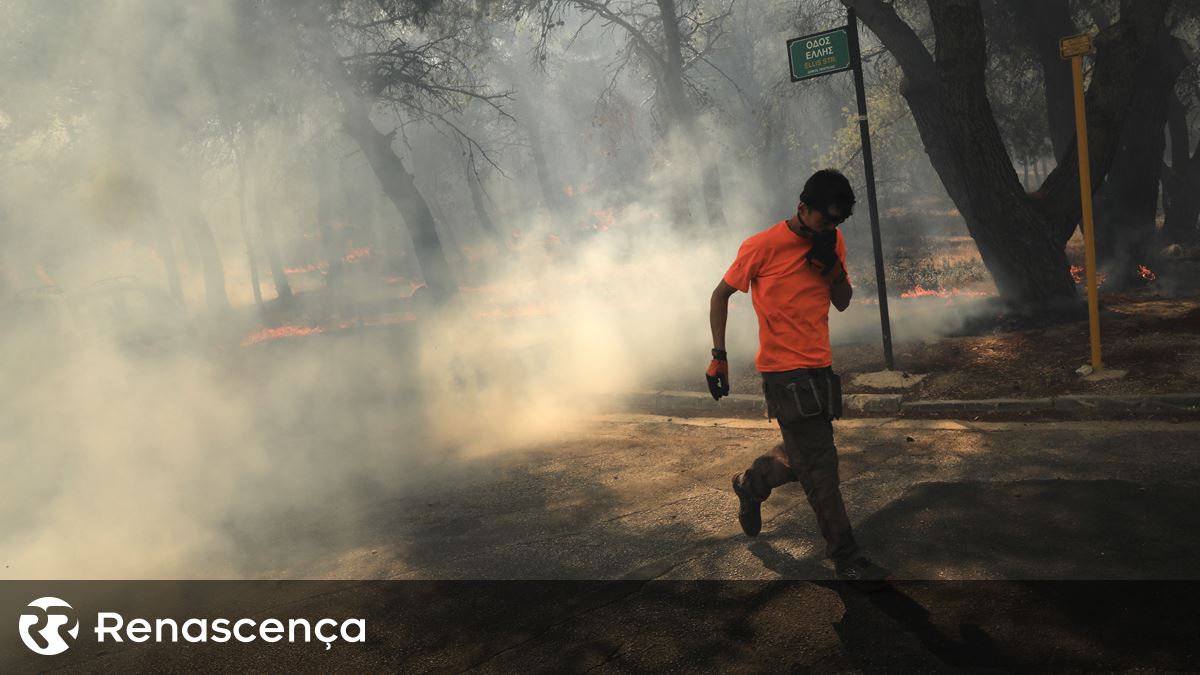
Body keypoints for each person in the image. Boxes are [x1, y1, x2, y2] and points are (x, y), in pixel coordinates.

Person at [707, 169, 890, 585]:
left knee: (805, 458)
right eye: (824, 221)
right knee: (821, 467)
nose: (830, 229)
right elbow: (720, 295)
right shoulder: (762, 246)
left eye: (837, 224)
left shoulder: (831, 241)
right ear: (802, 208)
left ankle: (751, 482)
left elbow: (841, 302)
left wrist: (832, 268)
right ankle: (846, 557)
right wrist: (719, 356)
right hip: (782, 374)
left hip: (819, 369)